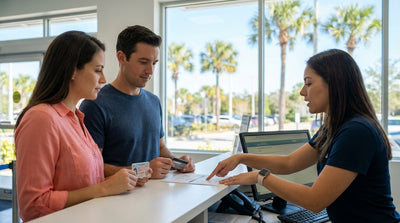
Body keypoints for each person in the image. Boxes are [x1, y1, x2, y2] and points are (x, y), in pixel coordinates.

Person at [207, 49, 400, 222]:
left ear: (334, 84)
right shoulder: (333, 127)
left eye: (308, 83)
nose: (302, 92)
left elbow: (314, 200)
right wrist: (241, 157)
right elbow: (289, 163)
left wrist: (259, 177)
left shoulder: (357, 132)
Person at [14, 31, 150, 222]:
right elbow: (33, 204)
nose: (103, 79)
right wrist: (104, 188)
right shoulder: (41, 119)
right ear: (72, 71)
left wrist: (116, 181)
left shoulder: (76, 118)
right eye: (97, 70)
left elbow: (82, 183)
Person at [79, 25, 195, 179]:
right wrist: (143, 170)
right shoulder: (94, 104)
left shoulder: (154, 102)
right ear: (121, 57)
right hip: (118, 199)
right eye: (143, 62)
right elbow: (92, 166)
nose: (150, 71)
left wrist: (178, 162)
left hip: (156, 197)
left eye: (154, 63)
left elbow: (159, 148)